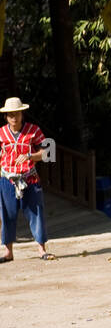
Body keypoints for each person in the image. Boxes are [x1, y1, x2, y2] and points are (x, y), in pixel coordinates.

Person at [0, 96, 54, 261]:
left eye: (17, 114)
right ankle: (8, 252)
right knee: (7, 215)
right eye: (10, 115)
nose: (14, 118)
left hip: (29, 179)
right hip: (7, 180)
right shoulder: (1, 133)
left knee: (36, 212)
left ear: (22, 114)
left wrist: (30, 155)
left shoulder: (33, 130)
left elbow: (48, 152)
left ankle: (41, 250)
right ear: (6, 116)